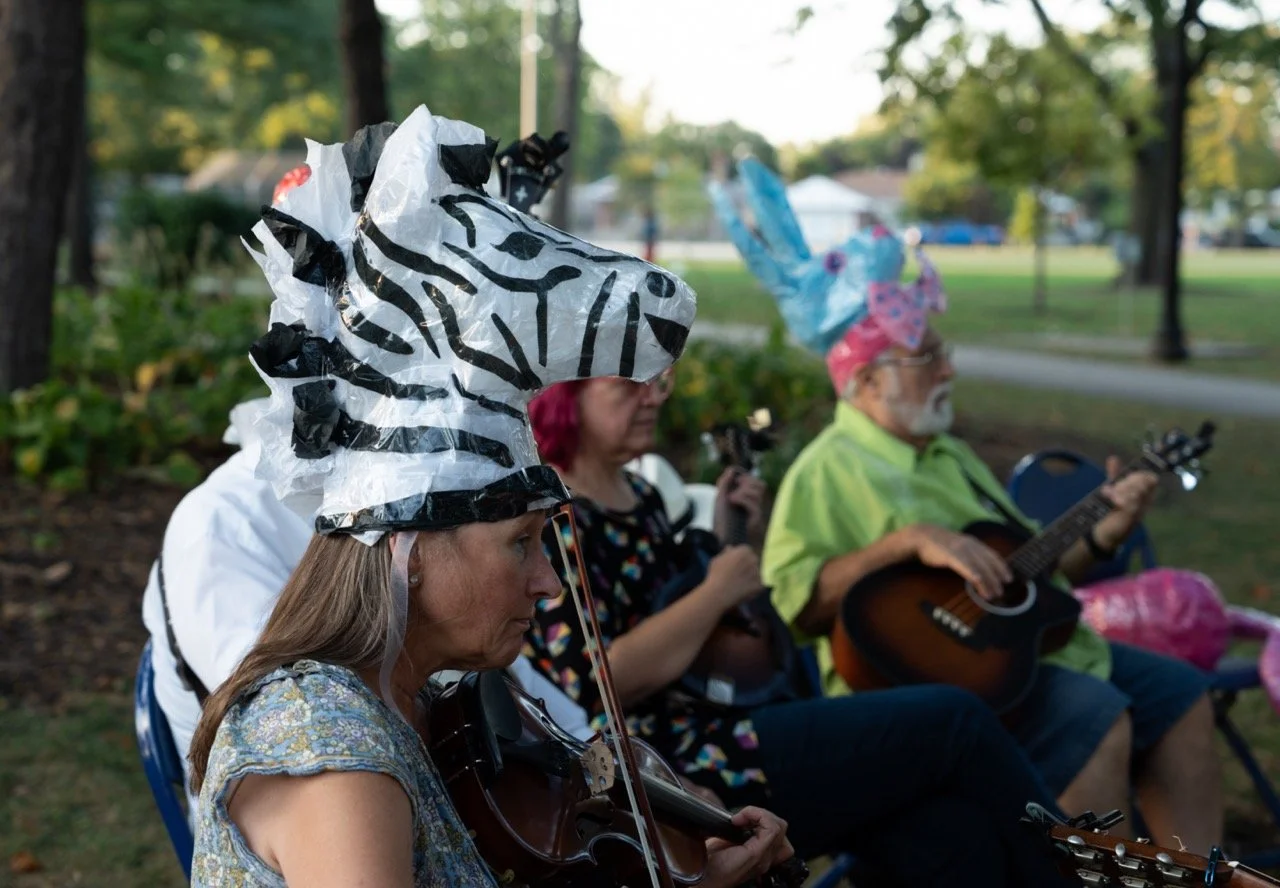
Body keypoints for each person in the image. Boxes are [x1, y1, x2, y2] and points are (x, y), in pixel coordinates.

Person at [186, 105, 790, 888]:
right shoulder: (334, 757)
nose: (548, 583)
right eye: (521, 542)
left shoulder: (425, 705)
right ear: (409, 551)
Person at [711, 161, 1221, 852]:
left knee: (1183, 694)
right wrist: (907, 540)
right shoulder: (826, 469)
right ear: (865, 379)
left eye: (942, 352)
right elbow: (795, 599)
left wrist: (1105, 533)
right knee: (1100, 716)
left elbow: (1024, 568)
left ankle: (1202, 877)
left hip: (1029, 657)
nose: (947, 369)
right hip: (922, 685)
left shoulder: (948, 454)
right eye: (927, 357)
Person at [141, 161, 589, 815]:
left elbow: (496, 677)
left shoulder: (431, 488)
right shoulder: (222, 522)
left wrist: (596, 761)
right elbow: (300, 737)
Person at [524, 375, 1078, 888]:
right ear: (564, 398)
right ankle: (1082, 870)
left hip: (728, 720)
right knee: (956, 718)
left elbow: (702, 638)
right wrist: (716, 590)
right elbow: (600, 680)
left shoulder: (639, 499)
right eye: (628, 386)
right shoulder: (557, 520)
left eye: (657, 382)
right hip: (680, 763)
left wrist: (725, 539)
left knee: (951, 835)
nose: (653, 396)